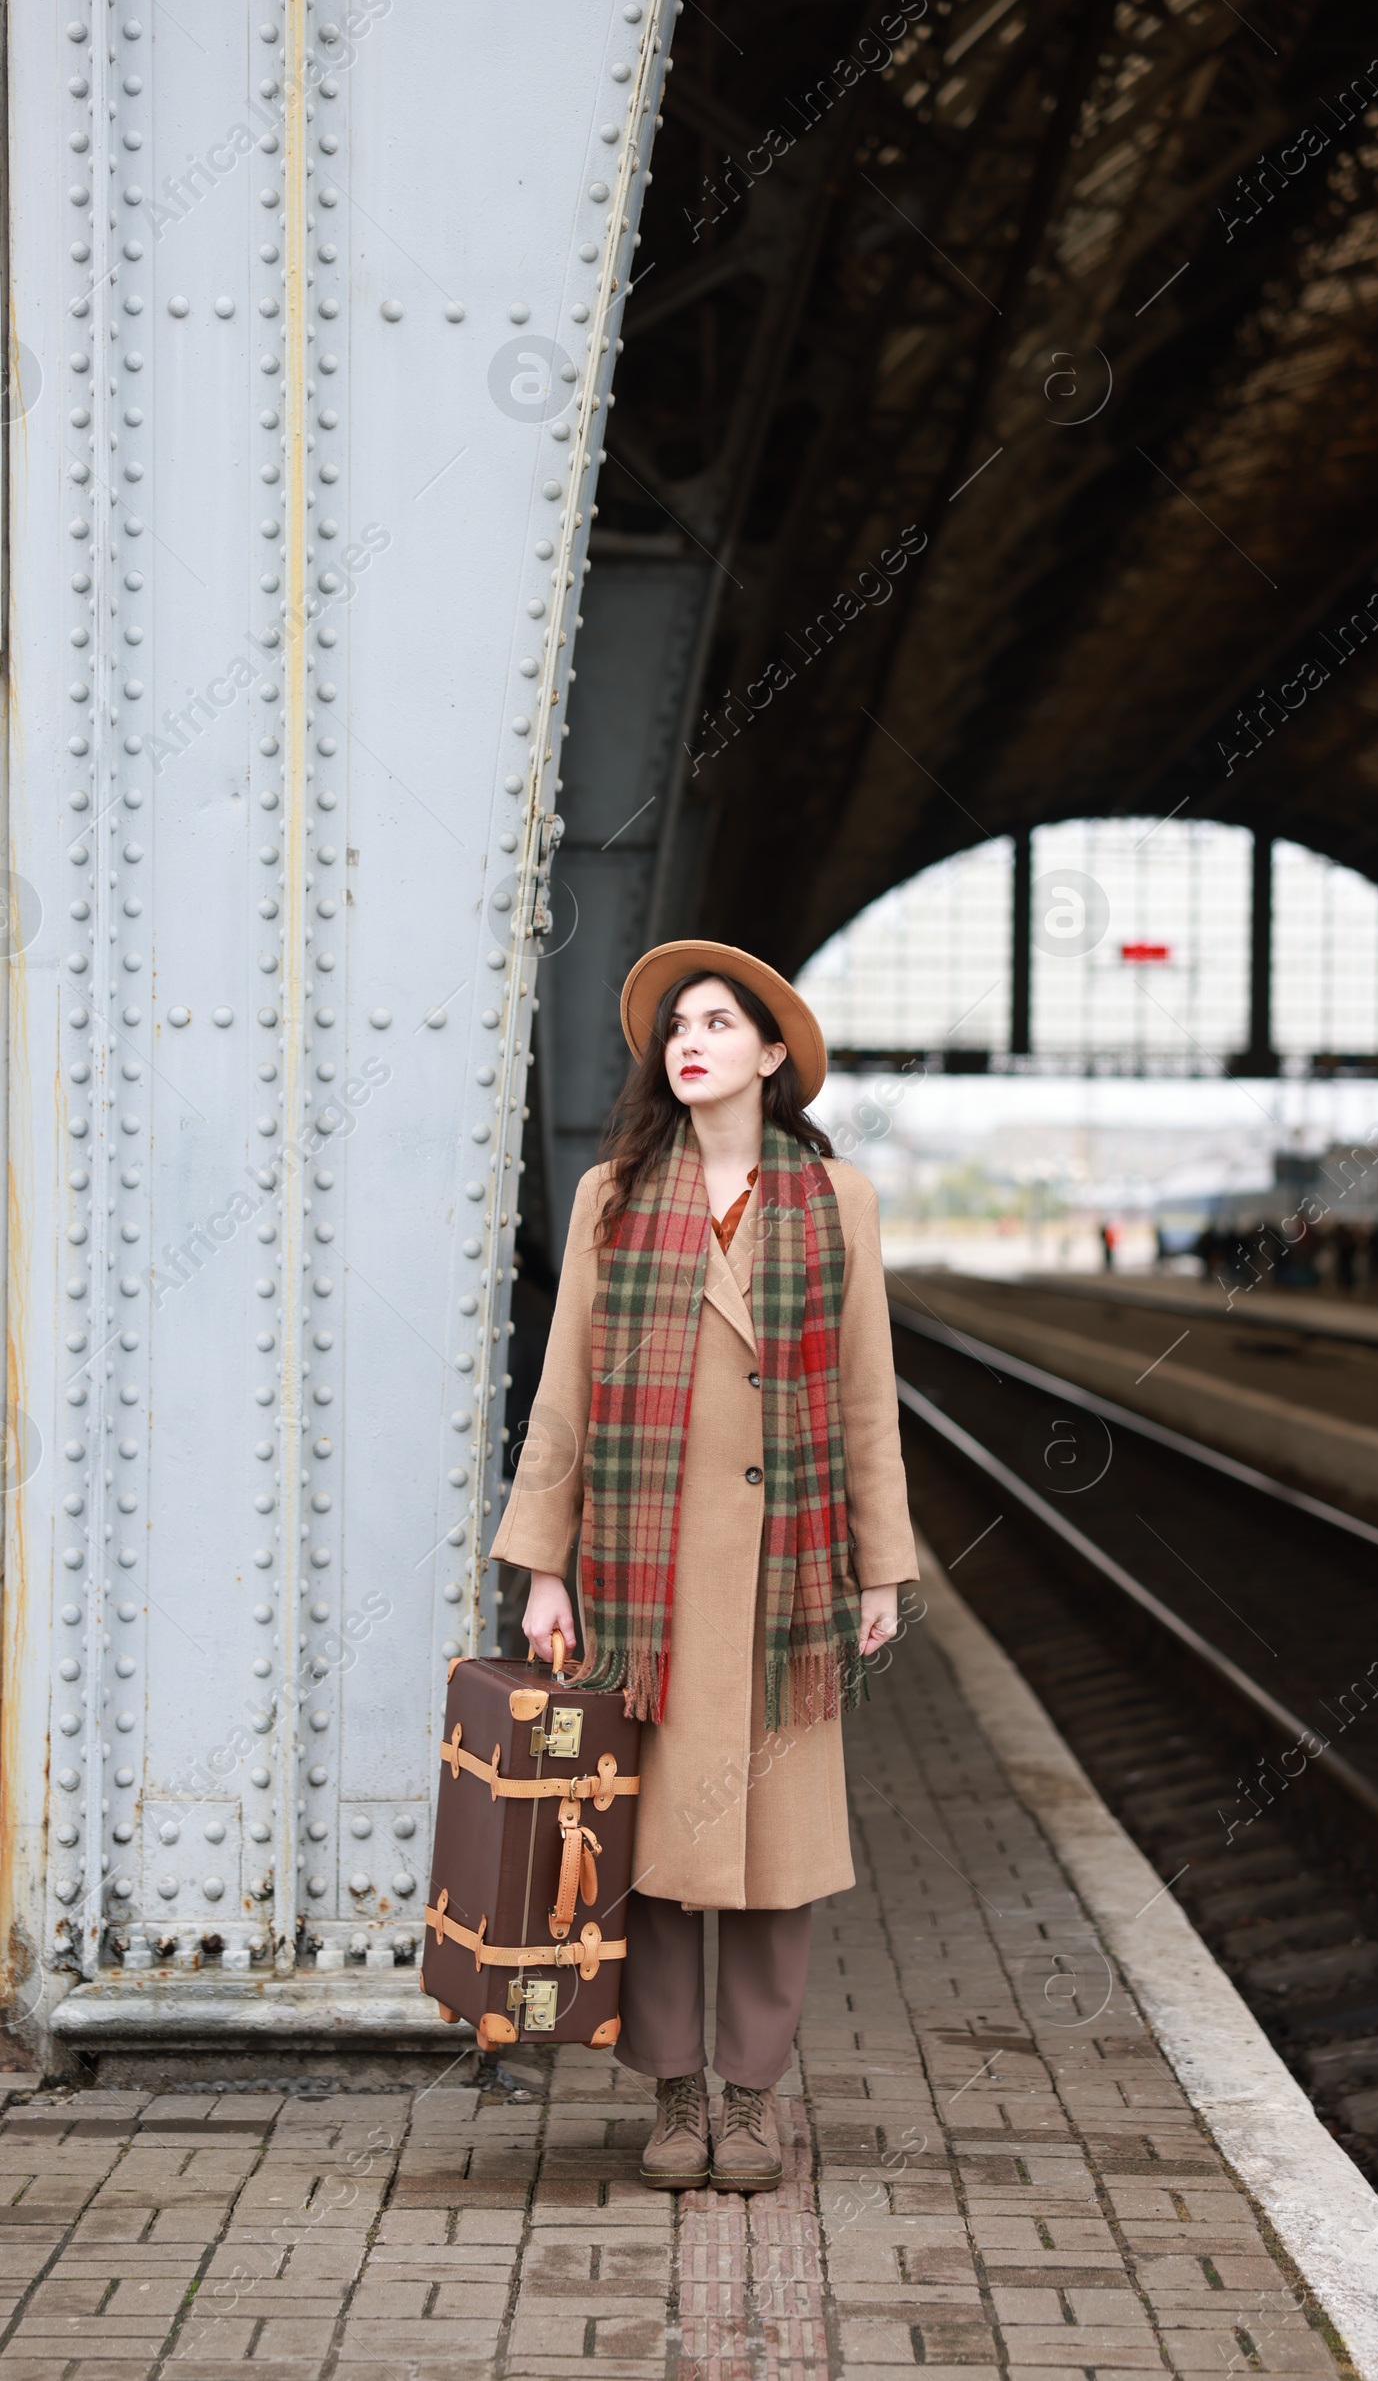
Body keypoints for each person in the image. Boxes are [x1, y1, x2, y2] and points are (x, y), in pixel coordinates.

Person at [489, 940, 916, 2194]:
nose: (691, 1040)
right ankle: (673, 2093)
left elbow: (864, 1399)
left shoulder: (835, 1201)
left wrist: (879, 1571)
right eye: (679, 1024)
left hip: (788, 1576)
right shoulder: (613, 1195)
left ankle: (752, 2099)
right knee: (661, 1855)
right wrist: (543, 1564)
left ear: (773, 1055)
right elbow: (564, 1388)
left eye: (720, 1022)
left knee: (777, 1861)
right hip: (645, 1574)